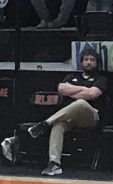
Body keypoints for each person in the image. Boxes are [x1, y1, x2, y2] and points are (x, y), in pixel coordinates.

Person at [25, 47, 106, 176]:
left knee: (80, 103)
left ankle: (46, 123)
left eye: (92, 60)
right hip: (70, 117)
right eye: (86, 59)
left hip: (90, 116)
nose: (89, 62)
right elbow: (61, 89)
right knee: (58, 126)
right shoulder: (72, 76)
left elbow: (92, 94)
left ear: (97, 63)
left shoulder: (101, 79)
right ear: (81, 62)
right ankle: (54, 164)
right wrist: (83, 90)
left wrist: (72, 91)